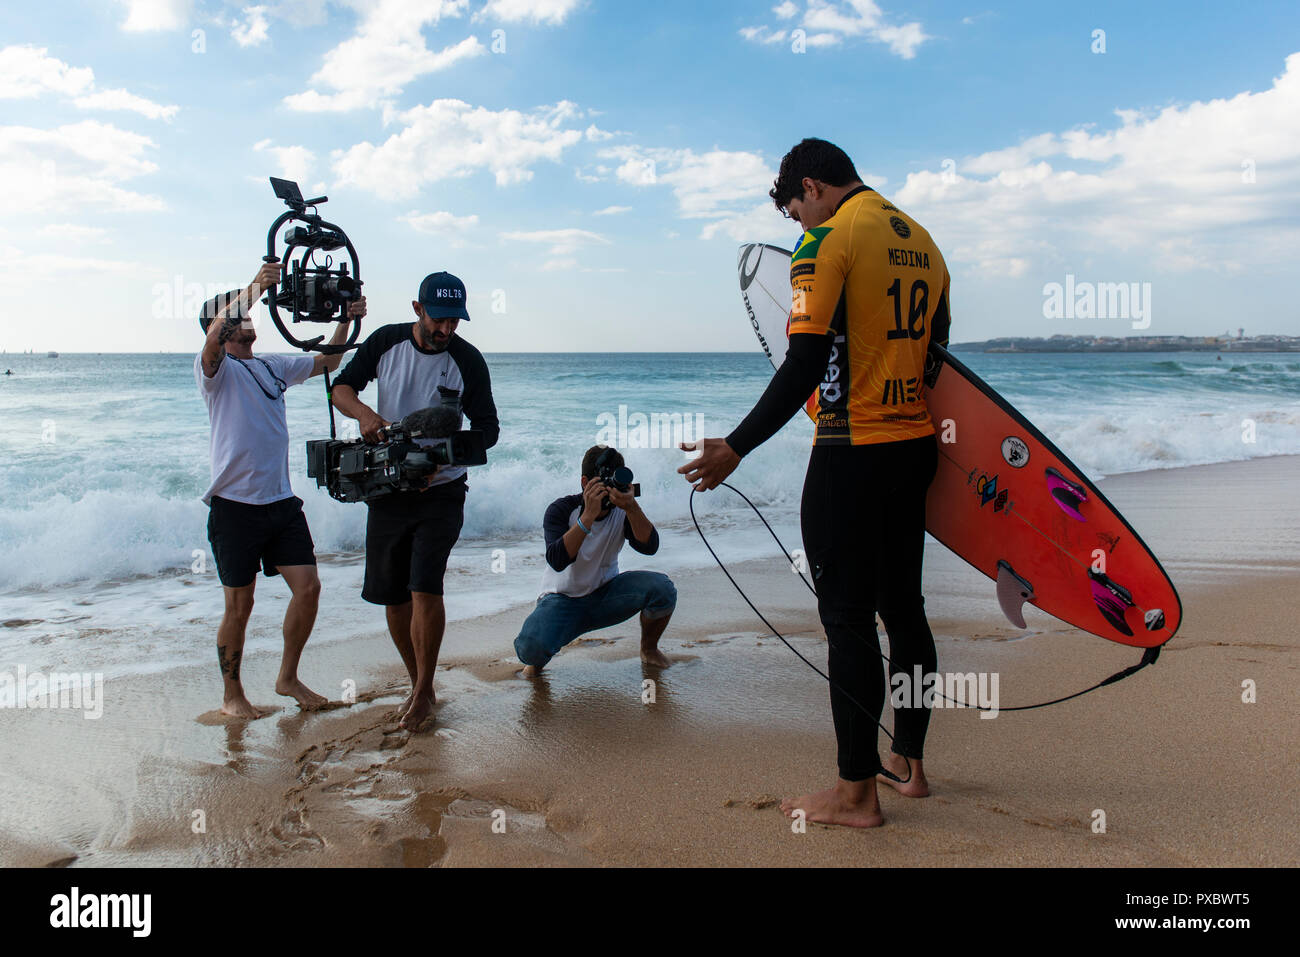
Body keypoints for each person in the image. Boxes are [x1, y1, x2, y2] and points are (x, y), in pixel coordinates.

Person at [679, 137, 952, 828]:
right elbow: (935, 356)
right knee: (905, 608)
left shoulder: (826, 242)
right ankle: (909, 764)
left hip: (849, 456)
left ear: (811, 186)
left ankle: (856, 794)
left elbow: (802, 363)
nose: (799, 227)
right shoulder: (922, 241)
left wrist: (736, 445)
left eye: (797, 212)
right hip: (914, 447)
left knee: (848, 621)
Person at [330, 271, 499, 731]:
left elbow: (489, 431)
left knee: (426, 585)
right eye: (438, 320)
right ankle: (417, 681)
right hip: (388, 487)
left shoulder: (468, 360)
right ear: (417, 310)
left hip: (442, 491)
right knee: (393, 595)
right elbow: (340, 388)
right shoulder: (385, 343)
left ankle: (424, 693)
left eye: (455, 322)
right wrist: (366, 415)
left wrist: (442, 451)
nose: (446, 331)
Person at [196, 261, 365, 718]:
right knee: (240, 605)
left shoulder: (272, 366)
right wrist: (254, 287)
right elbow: (215, 337)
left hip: (280, 503)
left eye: (250, 324)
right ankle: (232, 695)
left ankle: (287, 677)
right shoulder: (215, 372)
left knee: (308, 588)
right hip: (234, 507)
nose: (248, 330)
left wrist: (348, 319)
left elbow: (330, 361)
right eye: (239, 324)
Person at [514, 446, 675, 675]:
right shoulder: (561, 510)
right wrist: (588, 516)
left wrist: (631, 506)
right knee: (529, 648)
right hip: (562, 599)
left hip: (607, 595)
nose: (609, 490)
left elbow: (650, 547)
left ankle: (649, 650)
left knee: (662, 589)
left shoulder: (624, 509)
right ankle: (538, 660)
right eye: (602, 484)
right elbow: (557, 560)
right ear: (584, 482)